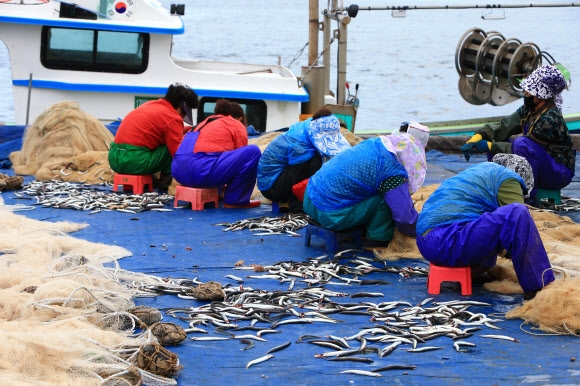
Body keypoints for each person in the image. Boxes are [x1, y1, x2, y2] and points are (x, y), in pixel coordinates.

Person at [416, 153, 555, 300]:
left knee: (490, 226)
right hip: (446, 241)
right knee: (517, 213)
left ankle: (474, 272)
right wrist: (528, 259)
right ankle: (539, 287)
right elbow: (518, 224)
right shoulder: (509, 179)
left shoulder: (481, 174)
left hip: (429, 242)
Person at [303, 122, 430, 250]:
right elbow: (404, 216)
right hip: (330, 214)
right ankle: (377, 241)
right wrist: (420, 230)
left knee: (373, 189)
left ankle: (362, 229)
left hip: (309, 199)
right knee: (388, 198)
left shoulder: (374, 144)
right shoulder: (391, 170)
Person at [460, 65, 575, 203]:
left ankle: (528, 196)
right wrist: (479, 136)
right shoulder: (528, 109)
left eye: (530, 90)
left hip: (558, 172)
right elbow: (504, 126)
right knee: (500, 139)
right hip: (539, 164)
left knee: (521, 143)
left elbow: (525, 150)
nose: (526, 93)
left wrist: (489, 146)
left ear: (542, 94)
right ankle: (504, 188)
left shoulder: (550, 119)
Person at [257, 107, 351, 213]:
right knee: (314, 160)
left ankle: (306, 199)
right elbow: (307, 168)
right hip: (271, 185)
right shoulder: (298, 139)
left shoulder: (308, 128)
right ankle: (297, 206)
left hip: (284, 177)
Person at [171, 99, 262, 208]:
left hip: (178, 172)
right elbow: (240, 164)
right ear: (240, 119)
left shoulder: (203, 123)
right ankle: (236, 200)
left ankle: (216, 194)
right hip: (201, 172)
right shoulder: (236, 124)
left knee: (213, 157)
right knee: (253, 152)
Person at [108, 83, 199, 190]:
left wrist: (189, 129)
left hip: (114, 158)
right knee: (174, 147)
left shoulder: (151, 105)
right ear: (180, 108)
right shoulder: (173, 117)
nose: (184, 117)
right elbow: (177, 152)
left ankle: (151, 180)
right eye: (186, 113)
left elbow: (162, 130)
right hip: (134, 161)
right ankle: (164, 184)